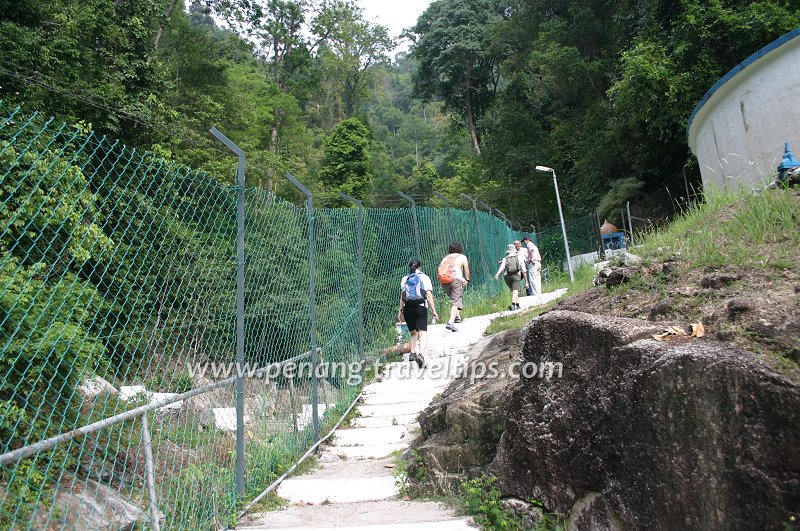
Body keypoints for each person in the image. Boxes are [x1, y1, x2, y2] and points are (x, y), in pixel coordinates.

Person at [398, 260, 438, 368]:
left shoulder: (405, 278)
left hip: (408, 309)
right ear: (420, 267)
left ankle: (412, 353)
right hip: (421, 308)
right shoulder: (425, 278)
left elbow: (402, 296)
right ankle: (420, 354)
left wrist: (400, 311)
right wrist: (434, 311)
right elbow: (428, 295)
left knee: (413, 333)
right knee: (422, 333)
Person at [437, 241, 470, 332]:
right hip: (456, 281)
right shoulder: (462, 257)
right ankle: (451, 322)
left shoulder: (445, 258)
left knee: (456, 298)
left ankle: (457, 316)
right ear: (459, 248)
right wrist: (467, 279)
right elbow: (466, 268)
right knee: (456, 300)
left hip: (444, 281)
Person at [495, 244, 523, 311]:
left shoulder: (505, 258)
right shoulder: (518, 257)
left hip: (507, 276)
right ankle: (513, 304)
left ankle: (518, 305)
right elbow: (522, 267)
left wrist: (497, 274)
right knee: (515, 290)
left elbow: (502, 267)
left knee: (514, 291)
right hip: (516, 275)